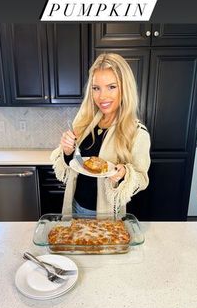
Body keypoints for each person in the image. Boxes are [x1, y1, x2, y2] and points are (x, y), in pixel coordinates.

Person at [50, 52, 151, 216]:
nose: (102, 96)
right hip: (74, 206)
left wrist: (124, 173)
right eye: (96, 88)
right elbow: (74, 163)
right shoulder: (84, 121)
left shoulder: (137, 132)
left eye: (112, 87)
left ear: (125, 89)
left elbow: (141, 179)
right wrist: (67, 152)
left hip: (106, 215)